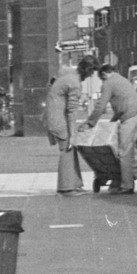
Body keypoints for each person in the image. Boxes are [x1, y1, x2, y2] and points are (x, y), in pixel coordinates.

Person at [86, 63, 137, 195]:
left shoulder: (108, 83)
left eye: (101, 78)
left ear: (104, 74)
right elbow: (123, 103)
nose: (102, 81)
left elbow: (101, 106)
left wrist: (90, 123)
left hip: (130, 118)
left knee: (124, 152)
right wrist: (113, 121)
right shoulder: (124, 80)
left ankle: (127, 186)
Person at [45, 57, 95, 195]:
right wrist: (73, 135)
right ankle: (65, 188)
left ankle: (75, 184)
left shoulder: (66, 72)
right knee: (67, 149)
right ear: (87, 70)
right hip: (59, 119)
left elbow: (50, 84)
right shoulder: (74, 84)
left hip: (52, 114)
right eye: (91, 72)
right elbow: (71, 111)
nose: (91, 76)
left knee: (70, 150)